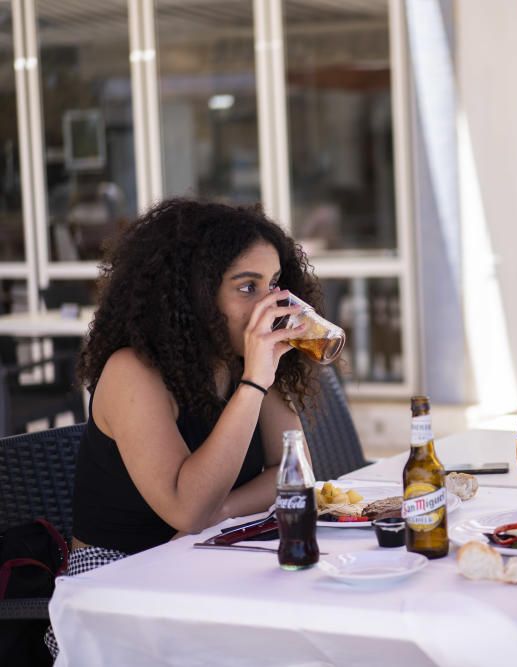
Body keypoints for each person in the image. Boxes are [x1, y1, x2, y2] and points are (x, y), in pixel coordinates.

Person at [45, 199, 325, 656]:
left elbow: (294, 472)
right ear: (194, 292)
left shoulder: (235, 361)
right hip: (119, 587)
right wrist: (254, 381)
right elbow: (188, 510)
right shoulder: (132, 371)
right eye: (247, 287)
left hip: (203, 564)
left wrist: (222, 511)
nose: (269, 304)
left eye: (273, 285)